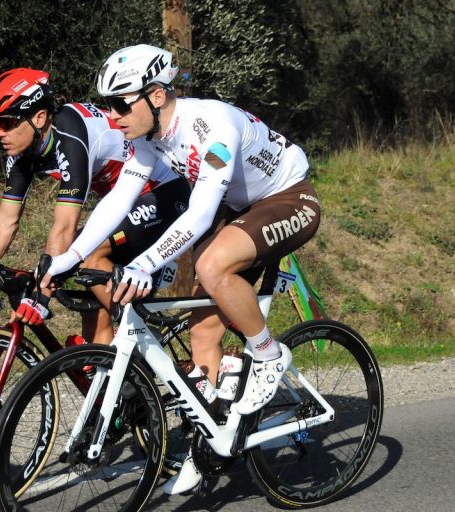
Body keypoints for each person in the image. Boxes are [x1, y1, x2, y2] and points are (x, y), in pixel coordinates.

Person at [42, 44, 321, 493]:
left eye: (119, 104)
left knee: (211, 265)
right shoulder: (150, 139)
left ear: (155, 95)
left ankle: (268, 355)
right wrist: (69, 258)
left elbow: (198, 213)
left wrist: (146, 263)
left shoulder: (211, 125)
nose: (111, 116)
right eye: (105, 105)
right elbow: (117, 200)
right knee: (203, 334)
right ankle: (211, 444)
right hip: (240, 208)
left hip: (289, 198)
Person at [0, 68, 190, 343]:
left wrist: (40, 295)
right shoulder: (23, 151)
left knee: (90, 255)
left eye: (5, 122)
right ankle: (113, 374)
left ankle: (146, 341)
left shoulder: (70, 130)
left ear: (40, 117)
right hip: (124, 201)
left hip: (164, 191)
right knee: (90, 292)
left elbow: (65, 225)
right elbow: (5, 221)